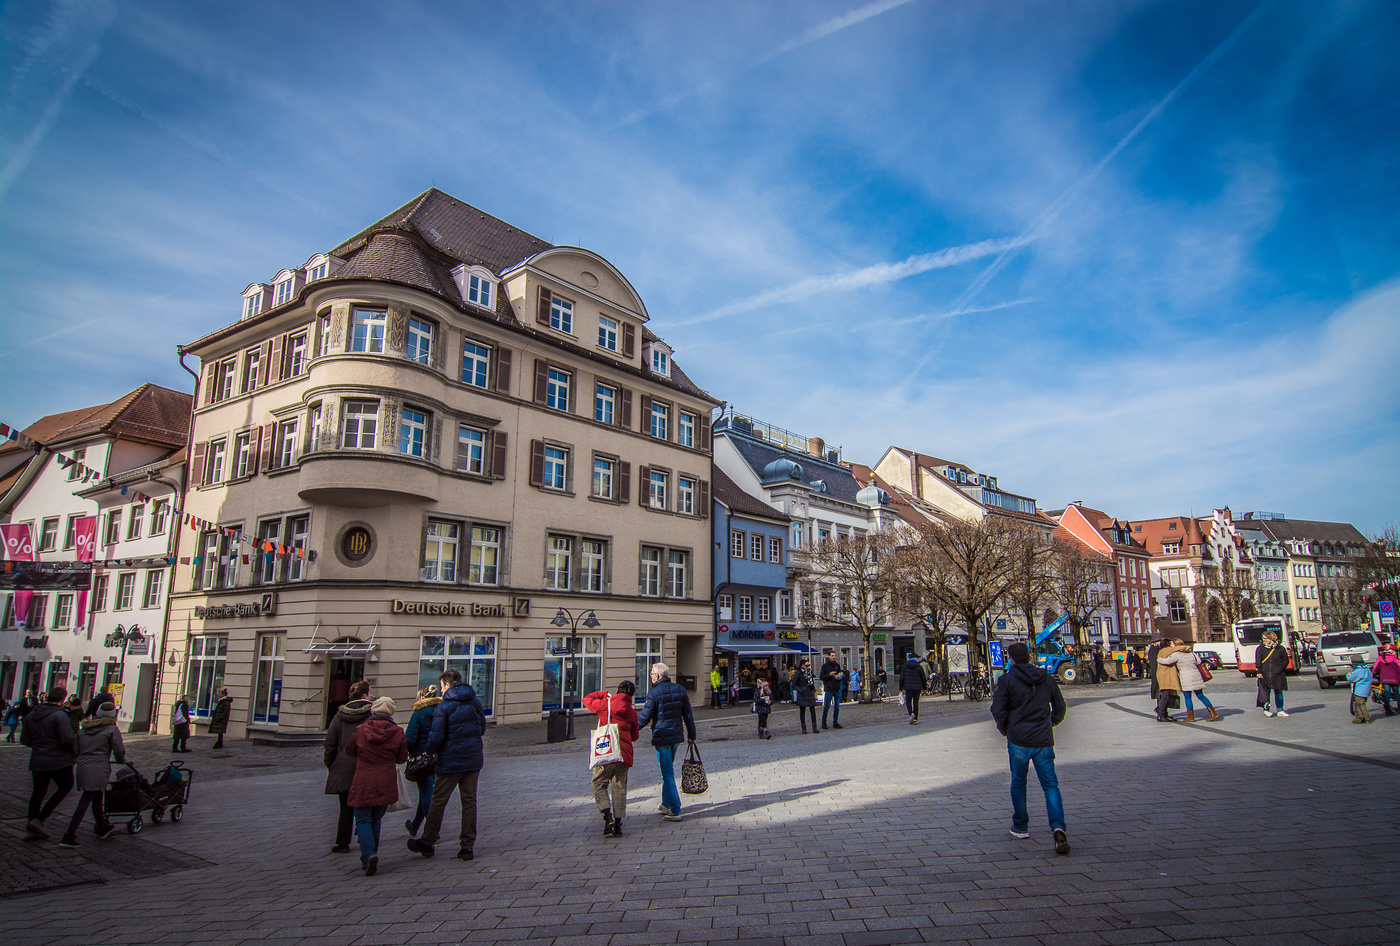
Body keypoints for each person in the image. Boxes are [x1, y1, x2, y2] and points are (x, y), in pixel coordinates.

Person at [991, 642, 1070, 856]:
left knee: (1018, 783)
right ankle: (1058, 826)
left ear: (1012, 660)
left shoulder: (1006, 680)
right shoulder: (1046, 678)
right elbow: (1060, 707)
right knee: (1050, 784)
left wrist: (1006, 728)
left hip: (1018, 739)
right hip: (1043, 739)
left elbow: (997, 709)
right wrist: (1051, 722)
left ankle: (1021, 826)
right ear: (1029, 657)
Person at [408, 669, 487, 860]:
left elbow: (436, 737)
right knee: (469, 803)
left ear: (448, 685)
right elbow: (482, 728)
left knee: (438, 801)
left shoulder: (444, 707)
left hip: (450, 761)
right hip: (472, 760)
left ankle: (427, 842)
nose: (442, 690)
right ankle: (467, 847)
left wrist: (429, 752)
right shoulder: (475, 703)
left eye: (443, 686)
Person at [345, 696, 407, 876]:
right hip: (385, 779)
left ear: (373, 710)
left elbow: (350, 750)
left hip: (364, 778)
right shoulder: (397, 731)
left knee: (363, 819)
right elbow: (402, 757)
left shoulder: (362, 729)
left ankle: (368, 855)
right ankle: (373, 854)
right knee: (375, 819)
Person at [635, 662, 697, 821]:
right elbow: (688, 715)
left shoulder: (654, 693)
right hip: (676, 736)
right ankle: (665, 803)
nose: (650, 676)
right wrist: (692, 734)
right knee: (667, 771)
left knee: (667, 773)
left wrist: (630, 731)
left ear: (656, 676)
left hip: (661, 736)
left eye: (651, 674)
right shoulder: (680, 689)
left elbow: (644, 717)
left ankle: (675, 809)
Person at [59, 702, 124, 848]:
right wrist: (121, 760)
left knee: (96, 795)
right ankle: (69, 834)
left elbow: (75, 749)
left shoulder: (84, 729)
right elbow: (118, 749)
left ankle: (101, 827)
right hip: (99, 766)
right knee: (87, 798)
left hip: (83, 766)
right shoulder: (111, 729)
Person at [582, 680, 640, 836]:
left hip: (605, 753)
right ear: (631, 695)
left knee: (599, 784)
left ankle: (607, 818)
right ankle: (619, 825)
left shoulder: (605, 705)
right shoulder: (632, 712)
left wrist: (602, 694)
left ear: (617, 690)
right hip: (623, 755)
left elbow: (586, 699)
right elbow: (635, 736)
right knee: (619, 788)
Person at [323, 680, 373, 854]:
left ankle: (342, 842)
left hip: (343, 766)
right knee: (366, 805)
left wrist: (332, 764)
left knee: (345, 807)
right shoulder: (371, 714)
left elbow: (329, 743)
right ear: (366, 694)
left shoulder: (339, 716)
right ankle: (364, 836)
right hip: (365, 766)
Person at [22, 686, 77, 839]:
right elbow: (67, 739)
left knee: (38, 792)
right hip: (58, 760)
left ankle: (31, 826)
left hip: (38, 759)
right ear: (62, 700)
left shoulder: (32, 715)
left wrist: (40, 746)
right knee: (66, 786)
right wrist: (75, 749)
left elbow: (24, 739)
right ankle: (39, 820)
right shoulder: (59, 715)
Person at [403, 685, 440, 837]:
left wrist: (410, 752)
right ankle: (415, 826)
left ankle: (433, 831)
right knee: (426, 792)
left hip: (421, 758)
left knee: (426, 792)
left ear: (422, 697)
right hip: (438, 756)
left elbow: (410, 739)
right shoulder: (441, 711)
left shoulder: (418, 714)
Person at [1158, 641, 1219, 722]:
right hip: (1196, 675)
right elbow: (1199, 661)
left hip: (1186, 677)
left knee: (1187, 697)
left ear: (1177, 646)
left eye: (1173, 644)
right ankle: (1213, 713)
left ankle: (1190, 717)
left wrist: (1159, 659)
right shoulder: (1192, 653)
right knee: (1201, 695)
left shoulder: (1177, 654)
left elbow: (1168, 661)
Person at [1256, 631, 1290, 718]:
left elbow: (1286, 660)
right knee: (1265, 692)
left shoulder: (1280, 648)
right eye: (1263, 638)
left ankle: (1280, 710)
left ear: (1271, 638)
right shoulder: (1260, 649)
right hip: (1265, 674)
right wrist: (1259, 672)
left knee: (1278, 692)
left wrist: (1281, 668)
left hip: (1278, 674)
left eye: (1266, 638)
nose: (1264, 640)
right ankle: (1266, 710)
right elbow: (1258, 661)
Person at [1154, 640, 1185, 722]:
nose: (1173, 645)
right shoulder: (1166, 650)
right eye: (1171, 643)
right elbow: (1183, 647)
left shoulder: (1163, 651)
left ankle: (1163, 714)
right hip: (1165, 677)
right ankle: (1161, 714)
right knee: (1165, 696)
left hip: (1165, 676)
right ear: (1168, 644)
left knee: (1166, 695)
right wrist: (1187, 647)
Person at [789, 660, 819, 734]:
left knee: (813, 711)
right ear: (802, 665)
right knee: (802, 711)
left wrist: (813, 689)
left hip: (810, 693)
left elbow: (812, 681)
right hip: (802, 694)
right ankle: (804, 728)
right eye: (806, 665)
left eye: (809, 665)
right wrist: (800, 690)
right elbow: (794, 684)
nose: (808, 667)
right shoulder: (798, 673)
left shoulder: (810, 672)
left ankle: (814, 728)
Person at [1372, 644, 1400, 717]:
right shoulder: (1395, 659)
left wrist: (1376, 672)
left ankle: (1387, 710)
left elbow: (1375, 668)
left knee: (1387, 694)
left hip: (1385, 679)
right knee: (1396, 694)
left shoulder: (1380, 659)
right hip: (1395, 679)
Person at [819, 650, 844, 729]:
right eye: (832, 656)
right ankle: (824, 722)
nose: (833, 657)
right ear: (829, 656)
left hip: (837, 688)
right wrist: (829, 675)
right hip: (829, 689)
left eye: (834, 656)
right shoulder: (825, 666)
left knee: (837, 707)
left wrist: (839, 677)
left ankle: (835, 722)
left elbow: (840, 675)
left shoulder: (837, 665)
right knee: (827, 706)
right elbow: (821, 677)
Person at [900, 653, 926, 724]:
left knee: (908, 702)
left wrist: (900, 688)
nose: (918, 659)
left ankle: (911, 714)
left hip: (908, 688)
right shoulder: (919, 666)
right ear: (915, 658)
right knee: (915, 703)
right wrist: (924, 687)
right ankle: (915, 718)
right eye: (917, 657)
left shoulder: (905, 666)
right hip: (917, 688)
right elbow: (923, 677)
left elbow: (901, 677)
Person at [1346, 659, 1373, 724]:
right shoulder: (1367, 669)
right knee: (1361, 703)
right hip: (1367, 690)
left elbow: (1350, 679)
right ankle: (1361, 716)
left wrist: (1348, 675)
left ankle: (1366, 718)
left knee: (1361, 704)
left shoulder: (1358, 670)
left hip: (1360, 690)